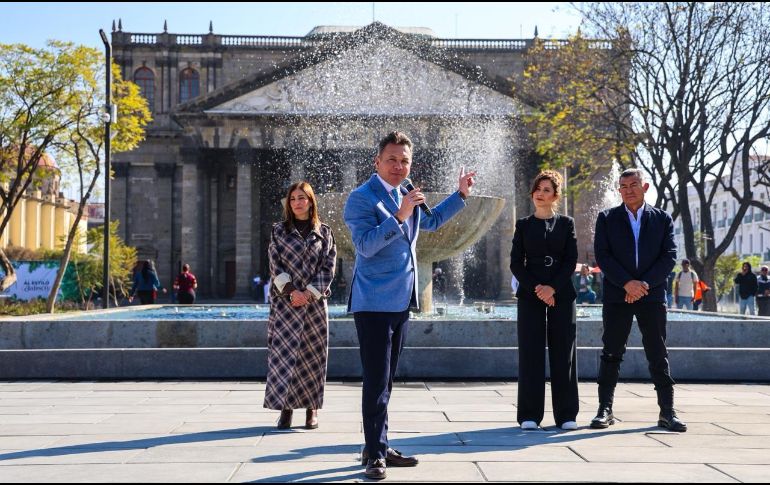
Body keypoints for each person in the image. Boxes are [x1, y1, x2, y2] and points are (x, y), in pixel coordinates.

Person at [344, 131, 475, 480]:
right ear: (377, 161)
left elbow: (430, 221)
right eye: (392, 159)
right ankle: (374, 454)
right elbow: (365, 245)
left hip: (401, 300)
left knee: (386, 380)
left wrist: (460, 194)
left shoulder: (407, 193)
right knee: (375, 380)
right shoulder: (361, 198)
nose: (399, 166)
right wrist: (399, 216)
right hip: (372, 301)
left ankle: (379, 445)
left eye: (404, 160)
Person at [591, 168, 687, 432]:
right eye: (623, 186)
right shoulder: (607, 218)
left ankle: (667, 411)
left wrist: (643, 284)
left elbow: (669, 256)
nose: (629, 189)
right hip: (617, 295)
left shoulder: (662, 218)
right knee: (611, 351)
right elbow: (603, 255)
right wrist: (627, 283)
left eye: (634, 184)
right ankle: (604, 410)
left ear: (644, 187)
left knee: (658, 352)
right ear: (618, 190)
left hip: (651, 294)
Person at [264, 181, 337, 431]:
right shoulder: (278, 231)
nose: (297, 202)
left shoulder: (325, 232)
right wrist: (292, 291)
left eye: (302, 198)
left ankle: (311, 410)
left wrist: (309, 292)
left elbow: (329, 266)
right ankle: (285, 410)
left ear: (310, 201)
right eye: (293, 198)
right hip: (286, 304)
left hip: (314, 306)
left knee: (313, 358)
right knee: (284, 358)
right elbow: (275, 265)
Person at [510, 170, 579, 431]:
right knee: (531, 352)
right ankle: (529, 414)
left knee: (564, 353)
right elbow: (516, 263)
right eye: (538, 188)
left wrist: (552, 288)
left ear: (555, 195)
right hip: (530, 294)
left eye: (547, 189)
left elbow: (571, 260)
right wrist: (538, 288)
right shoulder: (523, 225)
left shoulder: (566, 223)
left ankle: (566, 414)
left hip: (561, 292)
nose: (540, 193)